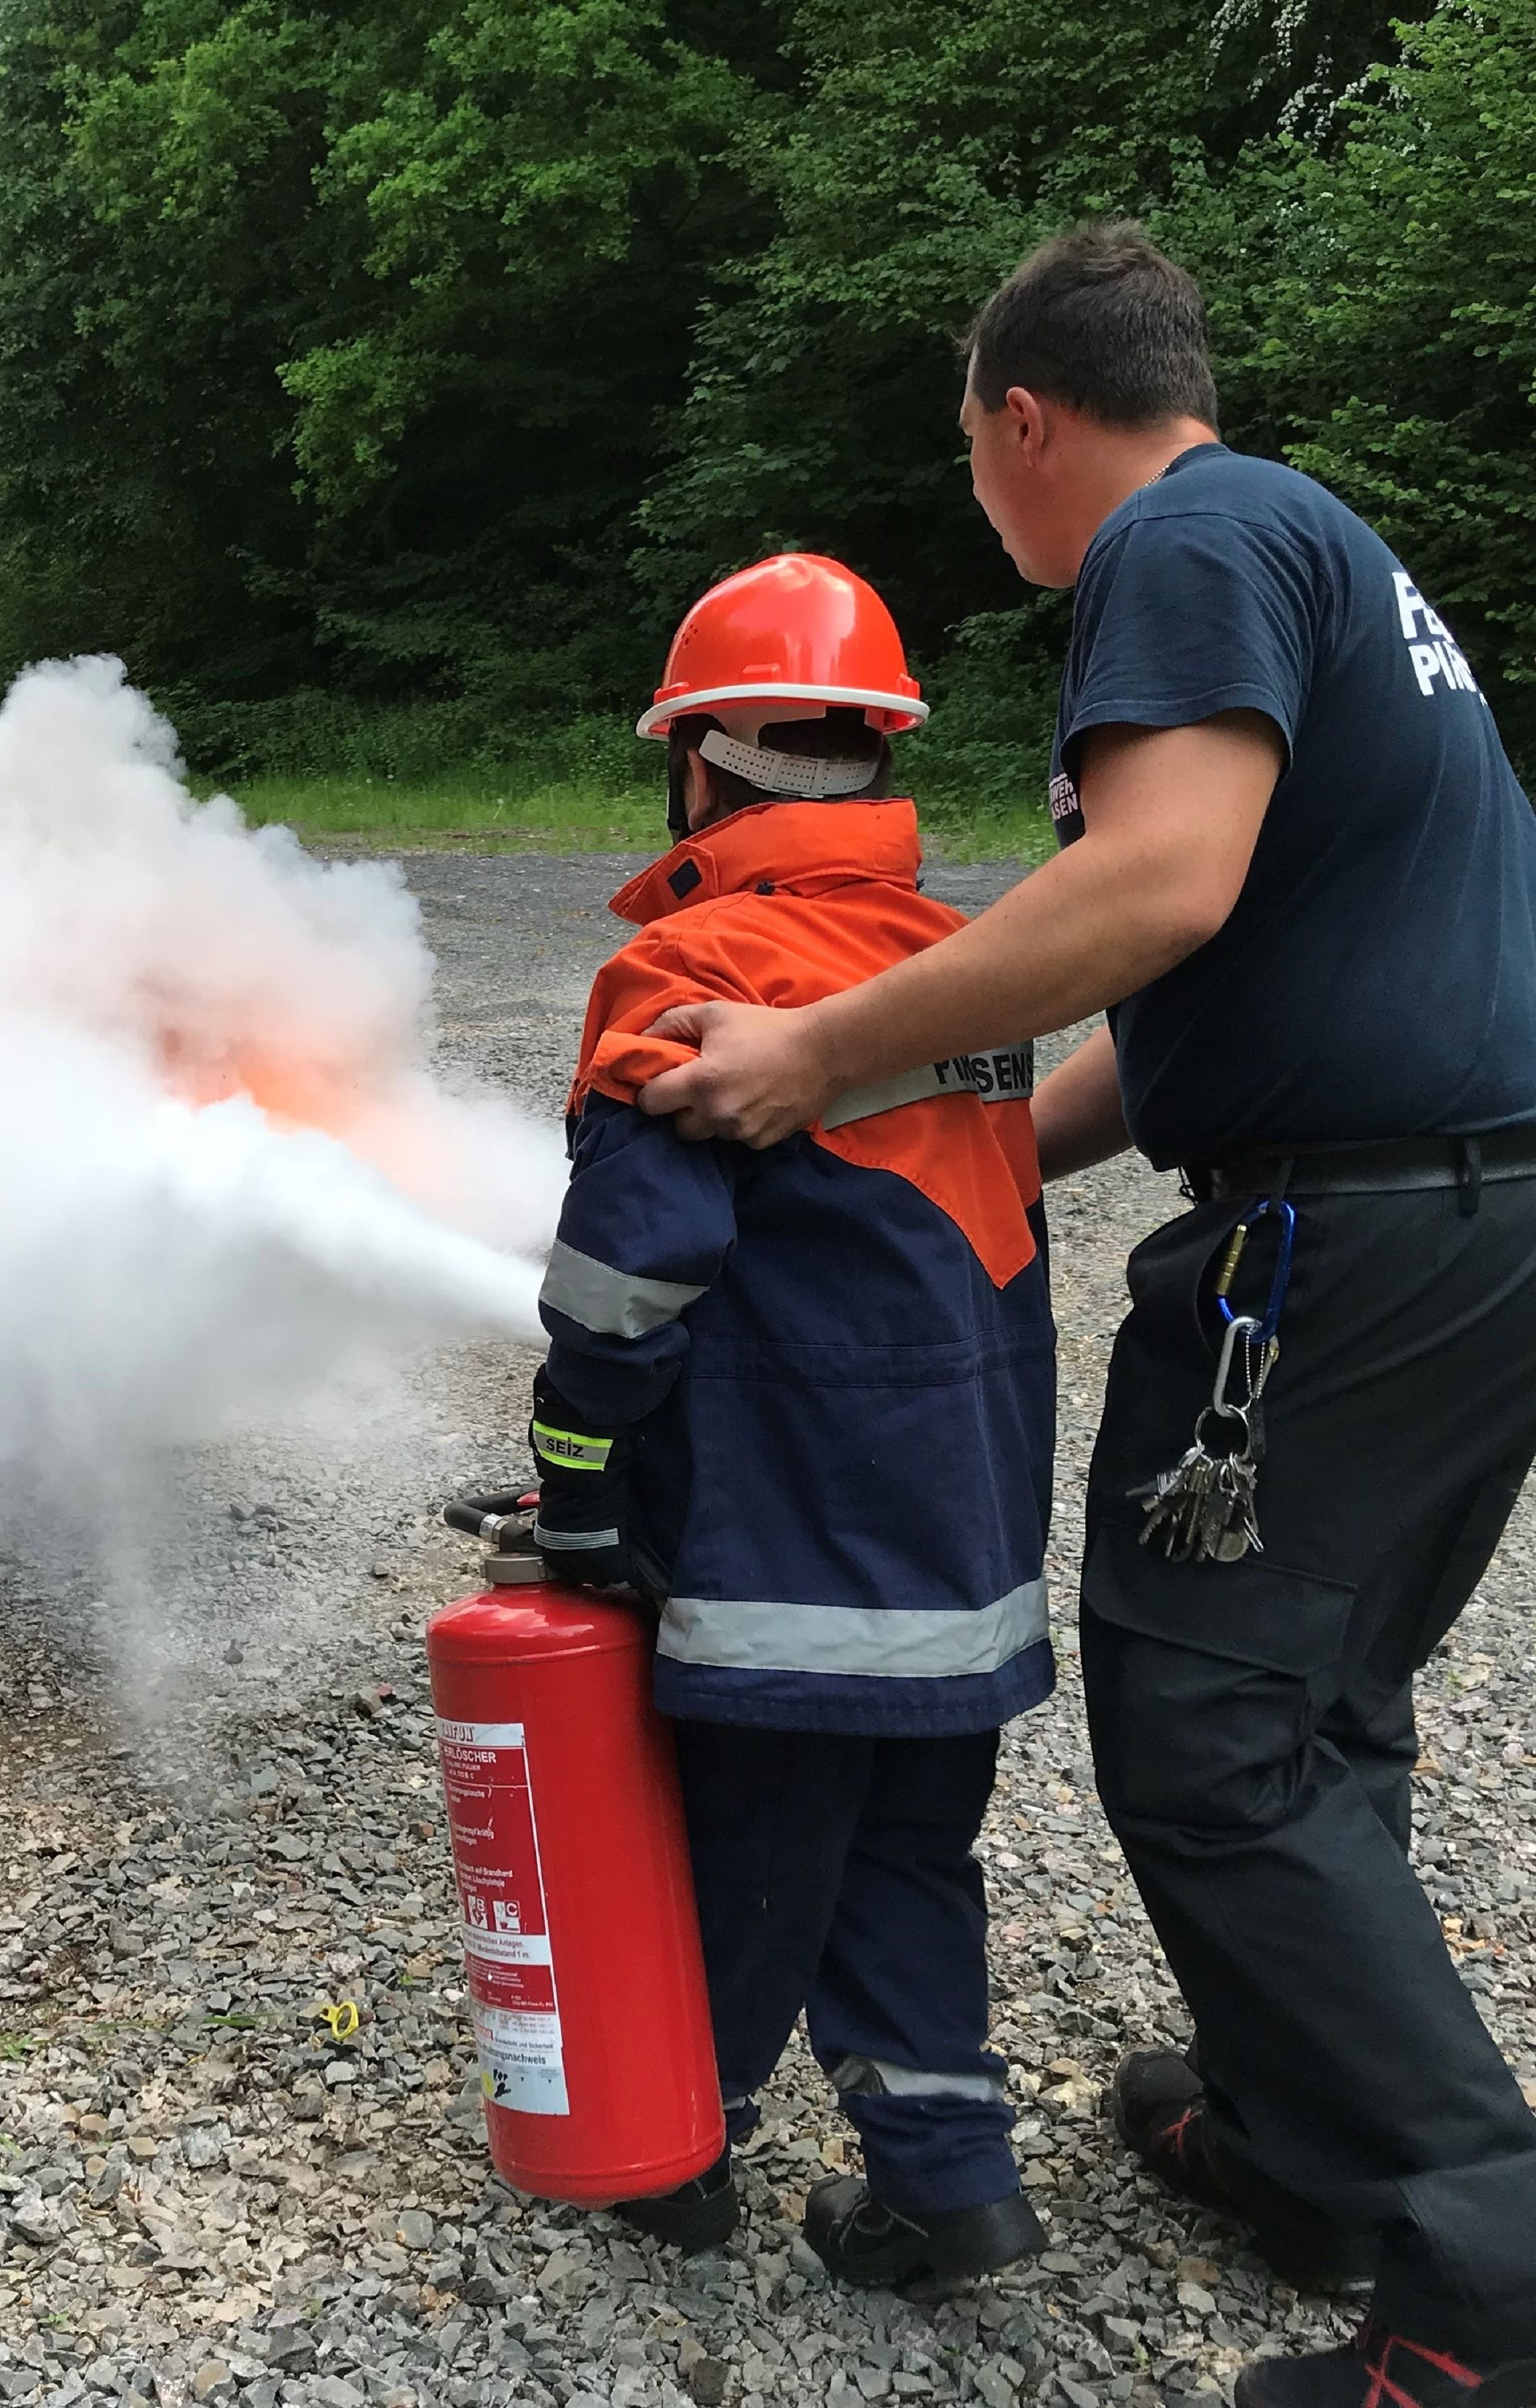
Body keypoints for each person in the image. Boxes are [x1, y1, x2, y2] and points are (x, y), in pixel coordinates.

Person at [632, 225, 1536, 2406]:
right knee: (1315, 1699)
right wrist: (967, 1152)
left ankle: (1495, 2290)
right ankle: (1314, 2153)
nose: (980, 499)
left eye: (970, 454)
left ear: (1027, 416)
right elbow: (1216, 986)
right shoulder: (1312, 539)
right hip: (1465, 1207)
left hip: (1358, 1237)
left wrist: (822, 1056)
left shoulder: (1184, 541)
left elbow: (1154, 888)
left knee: (1214, 1726)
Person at [525, 552, 1058, 2287]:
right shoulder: (957, 964)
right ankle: (947, 2174)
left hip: (784, 1554)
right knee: (910, 1846)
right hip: (961, 1550)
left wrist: (581, 1485)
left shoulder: (687, 968)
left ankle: (680, 2148)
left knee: (747, 1850)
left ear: (701, 757)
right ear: (876, 753)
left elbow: (632, 1277)